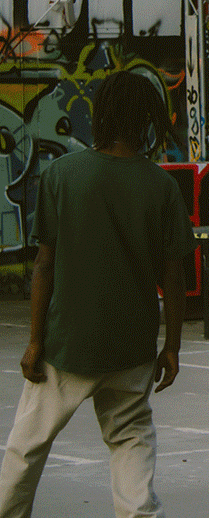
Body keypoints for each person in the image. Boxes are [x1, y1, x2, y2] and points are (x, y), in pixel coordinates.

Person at [0, 70, 191, 518]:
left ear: (100, 114)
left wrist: (33, 342)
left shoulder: (63, 174)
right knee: (130, 440)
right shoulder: (160, 186)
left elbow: (44, 265)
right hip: (132, 344)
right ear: (147, 119)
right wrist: (173, 347)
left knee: (26, 446)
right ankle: (138, 513)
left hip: (67, 342)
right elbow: (175, 278)